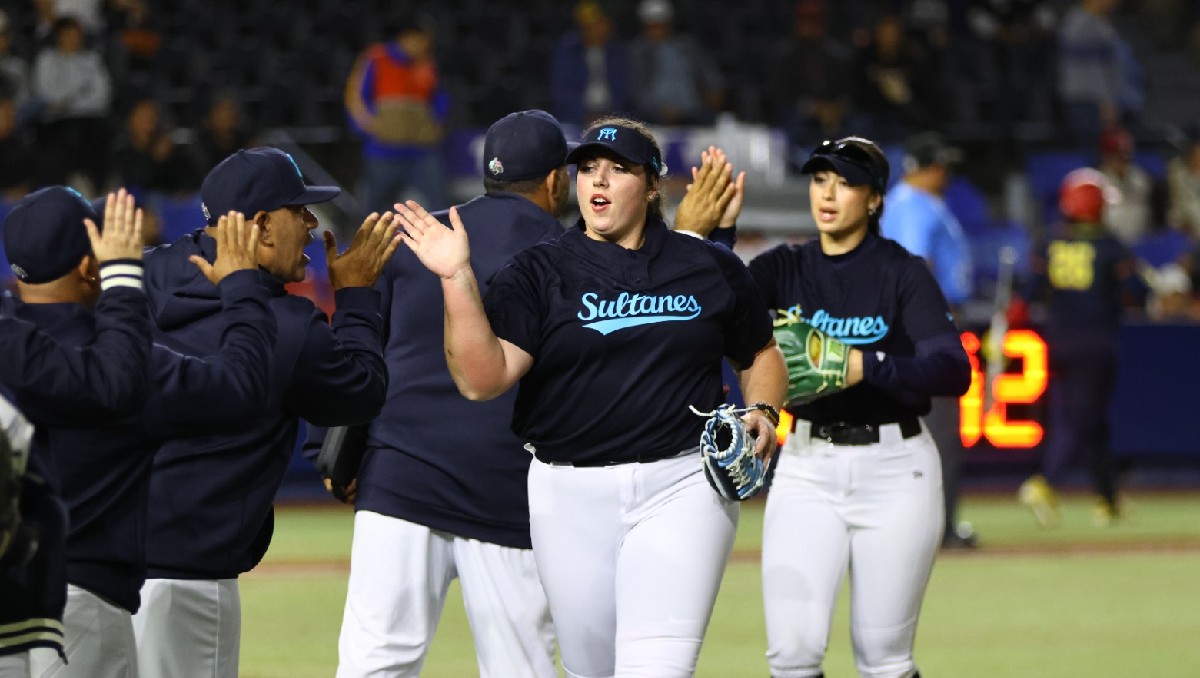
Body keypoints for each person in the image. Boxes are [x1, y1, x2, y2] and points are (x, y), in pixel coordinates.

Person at [396, 116, 787, 677]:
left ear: (653, 185)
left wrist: (764, 410)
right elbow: (482, 380)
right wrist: (456, 277)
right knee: (590, 670)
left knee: (656, 668)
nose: (597, 180)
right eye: (587, 169)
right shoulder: (538, 271)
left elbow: (760, 355)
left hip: (682, 485)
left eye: (618, 169)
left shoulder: (706, 265)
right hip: (567, 493)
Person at [311, 109, 573, 678]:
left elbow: (358, 354)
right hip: (507, 489)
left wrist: (338, 450)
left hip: (399, 477)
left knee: (374, 664)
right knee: (519, 669)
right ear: (556, 181)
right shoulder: (571, 252)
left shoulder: (415, 234)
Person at [132, 147, 399, 678]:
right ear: (260, 225)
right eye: (297, 211)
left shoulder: (140, 278)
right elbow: (361, 390)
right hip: (188, 581)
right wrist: (356, 301)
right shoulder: (286, 325)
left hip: (97, 565)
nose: (309, 224)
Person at [0, 187, 277, 678]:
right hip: (75, 610)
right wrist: (240, 286)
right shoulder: (124, 366)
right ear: (92, 265)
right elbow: (246, 387)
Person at [747, 136, 971, 677]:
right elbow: (712, 309)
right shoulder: (782, 268)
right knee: (792, 655)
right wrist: (720, 233)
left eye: (846, 182)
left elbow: (953, 370)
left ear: (874, 200)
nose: (828, 193)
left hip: (896, 470)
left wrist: (863, 366)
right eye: (820, 179)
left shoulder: (902, 272)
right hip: (805, 466)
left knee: (884, 660)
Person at [0, 186, 153, 676]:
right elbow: (116, 384)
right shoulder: (77, 359)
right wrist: (125, 278)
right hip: (72, 594)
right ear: (91, 265)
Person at [1016, 168, 1148, 528]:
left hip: (1058, 341)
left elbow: (1027, 294)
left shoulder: (1050, 242)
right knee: (1082, 420)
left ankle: (1108, 499)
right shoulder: (1110, 246)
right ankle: (1046, 482)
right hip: (1096, 343)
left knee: (1092, 420)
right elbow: (1138, 292)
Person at [880, 130, 977, 550]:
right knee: (938, 436)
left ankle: (923, 527)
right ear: (925, 167)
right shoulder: (913, 206)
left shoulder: (905, 203)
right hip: (923, 333)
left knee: (920, 435)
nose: (946, 172)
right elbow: (915, 267)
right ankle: (938, 530)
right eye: (940, 165)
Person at [344, 12, 449, 215]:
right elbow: (355, 97)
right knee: (373, 213)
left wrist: (436, 127)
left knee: (442, 207)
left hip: (422, 152)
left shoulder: (426, 64)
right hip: (383, 152)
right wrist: (373, 130)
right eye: (423, 39)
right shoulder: (376, 58)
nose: (427, 45)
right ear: (406, 37)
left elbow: (440, 99)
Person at [30, 15, 112, 192]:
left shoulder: (92, 59)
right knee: (62, 137)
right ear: (59, 35)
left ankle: (96, 187)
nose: (75, 38)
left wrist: (69, 101)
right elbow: (48, 95)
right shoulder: (47, 59)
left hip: (89, 120)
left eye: (78, 34)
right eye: (69, 34)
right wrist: (81, 92)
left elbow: (102, 97)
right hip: (56, 122)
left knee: (100, 132)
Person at [626, 0, 725, 125]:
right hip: (653, 115)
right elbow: (638, 91)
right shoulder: (637, 51)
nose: (658, 29)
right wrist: (660, 110)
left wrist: (714, 91)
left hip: (692, 112)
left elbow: (710, 76)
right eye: (653, 24)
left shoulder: (688, 46)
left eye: (661, 23)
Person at [550, 0, 631, 127]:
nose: (599, 28)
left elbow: (623, 89)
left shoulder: (616, 51)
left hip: (611, 115)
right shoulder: (569, 50)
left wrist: (611, 116)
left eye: (602, 23)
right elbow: (562, 90)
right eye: (593, 24)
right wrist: (584, 115)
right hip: (576, 118)